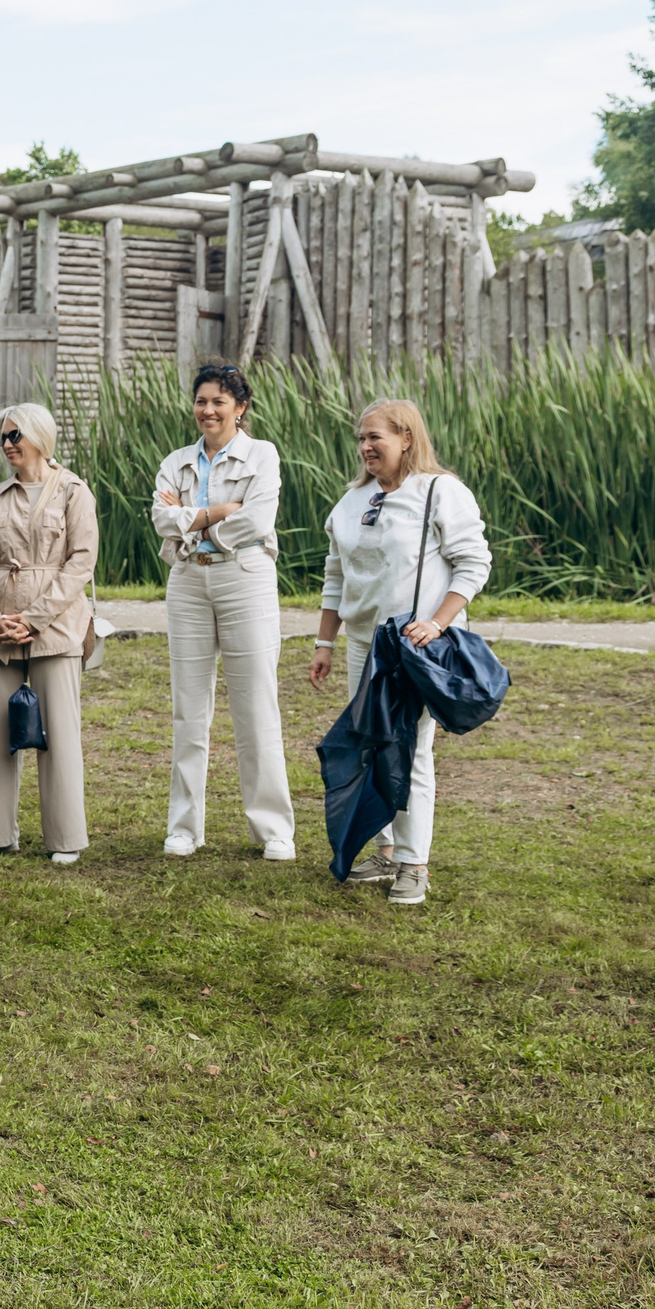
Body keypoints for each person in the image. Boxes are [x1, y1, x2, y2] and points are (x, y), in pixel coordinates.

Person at [310, 399, 491, 907]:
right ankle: (386, 852)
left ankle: (415, 864)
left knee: (411, 750)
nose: (366, 447)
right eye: (361, 438)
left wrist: (437, 622)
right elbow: (336, 575)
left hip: (414, 646)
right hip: (362, 644)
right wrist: (325, 642)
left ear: (406, 438)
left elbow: (474, 563)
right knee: (371, 745)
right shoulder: (353, 501)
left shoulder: (439, 492)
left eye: (376, 437)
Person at [151, 363, 295, 860]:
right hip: (188, 580)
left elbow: (257, 519)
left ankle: (273, 830)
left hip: (245, 578)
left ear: (240, 407)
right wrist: (218, 512)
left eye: (218, 401)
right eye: (201, 401)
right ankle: (184, 828)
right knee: (188, 709)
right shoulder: (175, 461)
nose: (207, 410)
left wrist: (192, 520)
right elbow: (161, 519)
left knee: (256, 706)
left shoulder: (263, 454)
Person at [0, 404, 96, 865]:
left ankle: (65, 838)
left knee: (60, 733)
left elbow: (81, 561)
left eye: (15, 434)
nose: (6, 444)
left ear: (40, 435)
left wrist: (34, 618)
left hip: (56, 627)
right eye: (1, 437)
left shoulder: (73, 491)